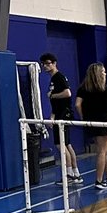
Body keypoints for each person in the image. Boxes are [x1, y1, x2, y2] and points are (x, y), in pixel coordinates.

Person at [38, 52, 80, 183]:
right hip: (59, 114)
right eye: (43, 64)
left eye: (48, 63)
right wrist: (52, 115)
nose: (45, 66)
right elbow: (56, 103)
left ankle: (69, 174)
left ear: (54, 63)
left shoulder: (59, 77)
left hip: (64, 115)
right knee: (67, 144)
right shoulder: (53, 79)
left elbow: (67, 93)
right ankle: (75, 173)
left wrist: (52, 95)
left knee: (60, 144)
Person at [75, 62, 107, 188]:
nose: (105, 74)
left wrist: (83, 117)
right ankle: (98, 180)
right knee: (102, 152)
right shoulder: (105, 89)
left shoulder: (83, 88)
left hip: (90, 122)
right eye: (103, 72)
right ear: (99, 74)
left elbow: (77, 104)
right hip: (103, 122)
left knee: (103, 150)